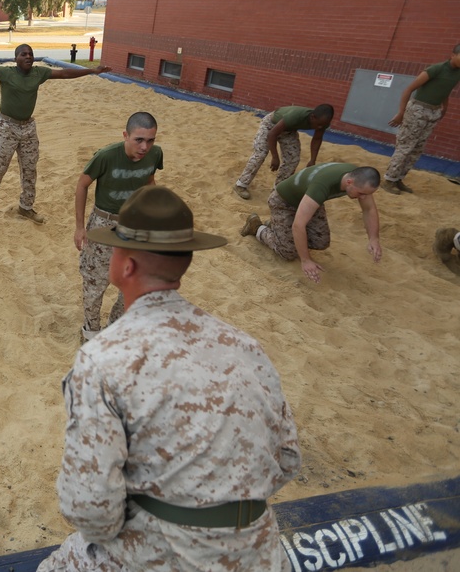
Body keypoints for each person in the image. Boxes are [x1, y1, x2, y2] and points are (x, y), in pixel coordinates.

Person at [39, 186, 301, 572]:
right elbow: (288, 460)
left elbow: (91, 511)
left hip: (167, 552)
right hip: (260, 549)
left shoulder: (104, 359)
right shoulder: (244, 345)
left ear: (125, 266)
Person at [0, 45, 111, 229]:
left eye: (31, 54)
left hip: (28, 128)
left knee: (30, 169)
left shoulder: (39, 73)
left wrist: (92, 71)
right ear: (16, 59)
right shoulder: (5, 73)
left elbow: (64, 73)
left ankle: (26, 207)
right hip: (6, 127)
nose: (28, 57)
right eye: (24, 54)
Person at [75, 112, 162, 342]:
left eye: (150, 140)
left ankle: (114, 328)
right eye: (139, 140)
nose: (145, 147)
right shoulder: (106, 156)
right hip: (104, 225)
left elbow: (149, 181)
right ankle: (90, 333)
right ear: (126, 135)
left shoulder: (155, 154)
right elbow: (82, 185)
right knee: (96, 282)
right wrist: (80, 227)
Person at [240, 163, 382, 284]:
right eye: (361, 193)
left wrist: (374, 238)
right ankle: (256, 227)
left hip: (309, 201)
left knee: (321, 241)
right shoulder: (322, 186)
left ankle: (277, 227)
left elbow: (369, 209)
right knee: (287, 252)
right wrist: (306, 260)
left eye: (367, 194)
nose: (363, 197)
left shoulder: (359, 177)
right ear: (349, 182)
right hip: (283, 202)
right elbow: (298, 225)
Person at [383, 44, 460, 195]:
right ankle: (389, 180)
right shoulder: (436, 69)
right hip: (417, 110)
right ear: (453, 55)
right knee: (406, 146)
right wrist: (401, 113)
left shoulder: (457, 73)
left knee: (417, 149)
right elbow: (409, 89)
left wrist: (444, 108)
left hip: (433, 112)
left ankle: (399, 178)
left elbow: (445, 90)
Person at [233, 104, 334, 199]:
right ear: (312, 117)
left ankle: (278, 191)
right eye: (319, 124)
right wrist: (275, 157)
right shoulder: (295, 116)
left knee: (293, 159)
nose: (320, 127)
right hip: (270, 126)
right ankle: (241, 185)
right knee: (260, 154)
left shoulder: (322, 122)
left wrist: (312, 160)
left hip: (289, 131)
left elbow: (317, 139)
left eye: (323, 125)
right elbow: (272, 134)